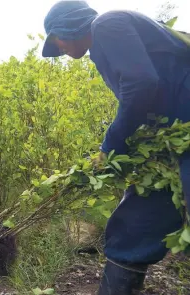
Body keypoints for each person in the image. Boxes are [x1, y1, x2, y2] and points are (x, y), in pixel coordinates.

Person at [41, 1, 190, 294]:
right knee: (135, 223)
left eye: (55, 39)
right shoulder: (102, 48)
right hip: (171, 141)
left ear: (67, 27)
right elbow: (146, 96)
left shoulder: (106, 25)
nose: (58, 49)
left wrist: (110, 146)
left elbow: (141, 84)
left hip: (182, 135)